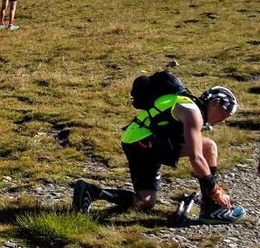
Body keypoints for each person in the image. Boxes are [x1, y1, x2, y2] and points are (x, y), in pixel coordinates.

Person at [72, 86, 245, 224]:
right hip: (142, 142)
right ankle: (211, 207)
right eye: (224, 114)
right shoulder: (193, 113)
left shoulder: (189, 105)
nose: (223, 120)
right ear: (214, 103)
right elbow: (197, 158)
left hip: (136, 141)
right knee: (208, 147)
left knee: (145, 201)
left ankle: (92, 192)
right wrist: (216, 192)